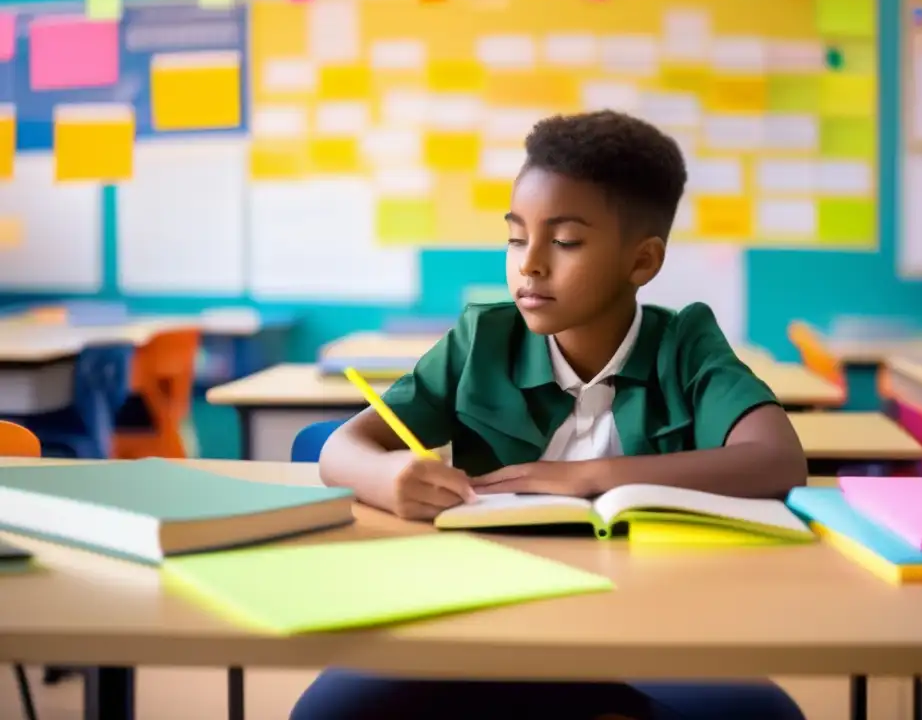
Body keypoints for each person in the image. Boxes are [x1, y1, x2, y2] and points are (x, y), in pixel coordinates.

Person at [296, 111, 808, 720]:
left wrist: (588, 478)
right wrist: (390, 478)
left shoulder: (686, 344)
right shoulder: (480, 340)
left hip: (655, 625)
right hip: (483, 616)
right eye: (516, 237)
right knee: (328, 714)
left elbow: (778, 460)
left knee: (762, 718)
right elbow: (339, 448)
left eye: (564, 242)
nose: (529, 264)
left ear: (642, 262)